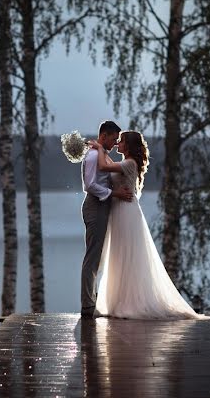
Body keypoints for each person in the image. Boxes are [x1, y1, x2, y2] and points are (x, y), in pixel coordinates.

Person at [88, 130, 209, 320]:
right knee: (119, 255)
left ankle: (129, 302)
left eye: (121, 142)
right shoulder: (126, 163)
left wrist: (100, 148)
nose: (117, 144)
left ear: (128, 145)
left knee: (127, 255)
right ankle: (119, 300)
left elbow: (103, 167)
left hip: (126, 211)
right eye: (117, 141)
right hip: (119, 210)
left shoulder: (129, 163)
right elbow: (110, 165)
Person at [80, 120, 133, 318]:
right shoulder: (94, 156)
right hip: (95, 206)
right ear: (104, 136)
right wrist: (115, 194)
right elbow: (90, 185)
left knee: (97, 257)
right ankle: (87, 305)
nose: (115, 142)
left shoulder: (101, 153)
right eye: (113, 138)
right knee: (92, 257)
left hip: (101, 206)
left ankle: (91, 300)